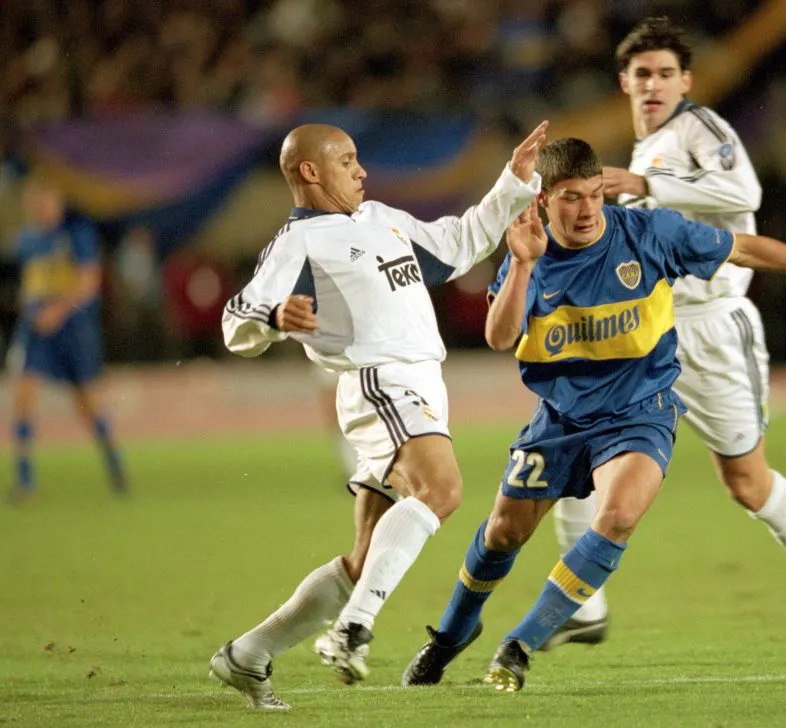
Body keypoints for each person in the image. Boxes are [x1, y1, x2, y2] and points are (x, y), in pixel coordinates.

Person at [401, 137, 786, 692]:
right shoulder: (530, 252)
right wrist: (523, 265)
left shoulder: (647, 234)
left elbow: (742, 248)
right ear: (543, 200)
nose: (588, 210)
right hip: (561, 420)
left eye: (596, 194)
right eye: (572, 198)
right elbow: (500, 337)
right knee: (503, 533)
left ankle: (518, 647)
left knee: (618, 516)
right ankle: (449, 636)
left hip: (639, 410)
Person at [542, 16, 786, 654]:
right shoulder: (645, 149)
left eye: (666, 73)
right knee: (575, 448)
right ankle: (582, 606)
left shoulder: (700, 130)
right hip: (647, 331)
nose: (654, 84)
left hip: (712, 327)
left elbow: (744, 191)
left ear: (685, 81)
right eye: (642, 74)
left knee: (746, 482)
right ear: (624, 82)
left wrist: (645, 185)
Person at [208, 120, 546, 710]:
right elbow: (237, 319)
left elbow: (460, 241)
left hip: (419, 386)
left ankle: (248, 654)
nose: (361, 170)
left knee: (364, 560)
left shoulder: (382, 218)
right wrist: (275, 318)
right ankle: (352, 630)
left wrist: (513, 183)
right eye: (346, 161)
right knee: (442, 489)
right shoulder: (298, 241)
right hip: (377, 382)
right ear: (310, 171)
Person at [6, 174, 127, 502]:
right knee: (23, 396)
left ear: (58, 203)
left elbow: (88, 283)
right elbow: (28, 285)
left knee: (86, 402)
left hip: (74, 331)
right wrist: (31, 310)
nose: (41, 208)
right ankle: (25, 480)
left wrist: (56, 312)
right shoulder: (25, 241)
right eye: (36, 202)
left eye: (47, 201)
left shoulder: (77, 234)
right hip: (37, 332)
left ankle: (114, 462)